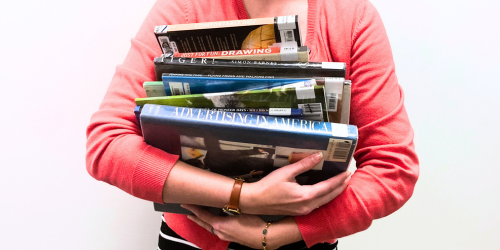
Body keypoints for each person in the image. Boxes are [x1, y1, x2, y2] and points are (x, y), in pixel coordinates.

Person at [85, 0, 420, 249]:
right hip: (193, 241)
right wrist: (246, 197)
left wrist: (277, 234)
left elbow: (394, 167)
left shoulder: (351, 18)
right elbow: (107, 144)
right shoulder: (185, 8)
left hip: (305, 243)